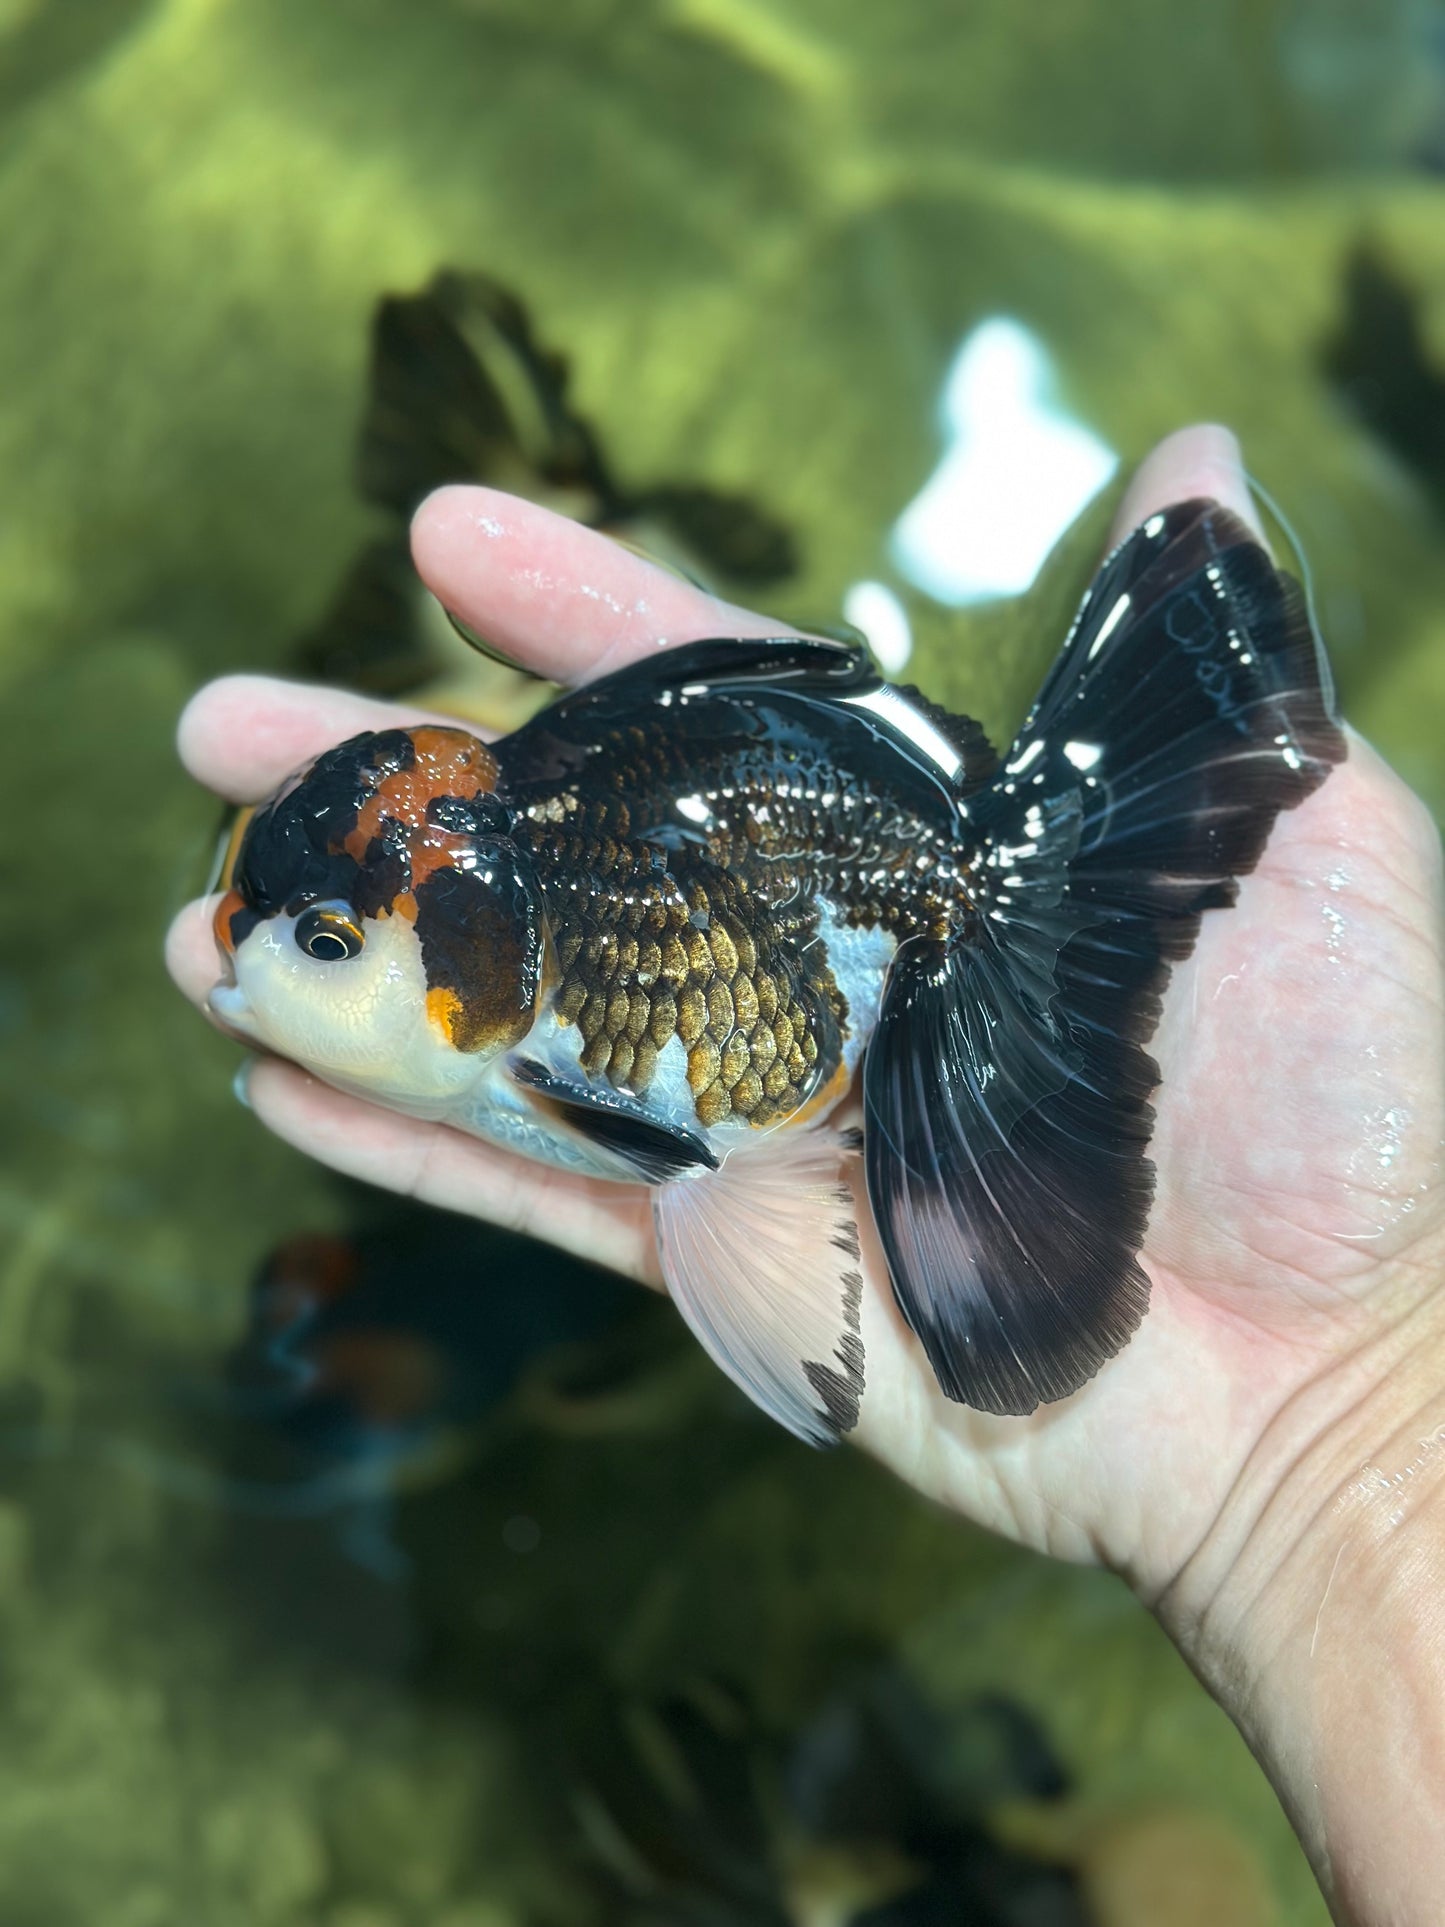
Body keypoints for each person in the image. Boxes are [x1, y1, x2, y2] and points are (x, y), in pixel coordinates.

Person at [166, 425, 1444, 1925]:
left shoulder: (537, 1047)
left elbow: (690, 1165)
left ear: (469, 987)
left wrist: (1362, 1417)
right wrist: (1361, 1437)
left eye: (322, 951)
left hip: (857, 903)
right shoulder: (496, 953)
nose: (259, 973)